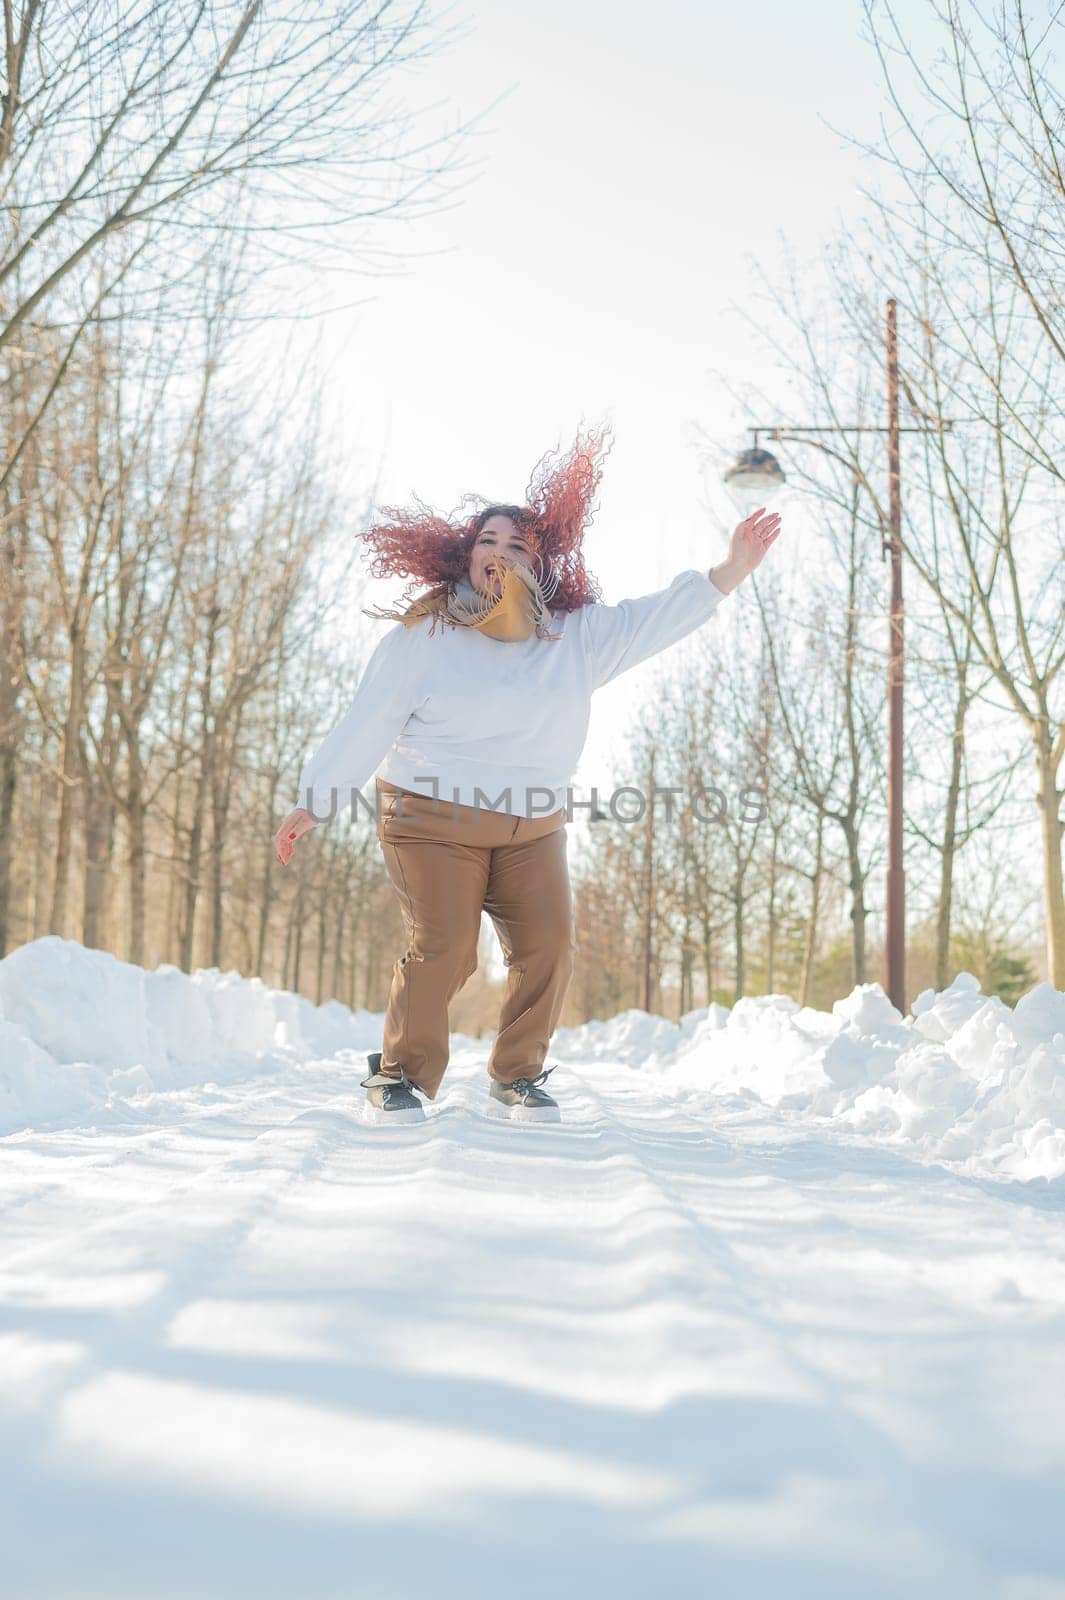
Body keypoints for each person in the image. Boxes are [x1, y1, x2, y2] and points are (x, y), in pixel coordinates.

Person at [274, 425, 781, 1125]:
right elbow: (370, 720)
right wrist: (315, 801)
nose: (502, 555)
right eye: (490, 541)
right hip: (427, 818)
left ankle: (517, 1074)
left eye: (520, 546)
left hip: (532, 827)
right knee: (446, 949)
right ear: (466, 552)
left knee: (548, 947)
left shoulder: (574, 640)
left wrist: (732, 570)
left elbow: (654, 618)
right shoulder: (425, 635)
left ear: (543, 565)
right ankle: (399, 1074)